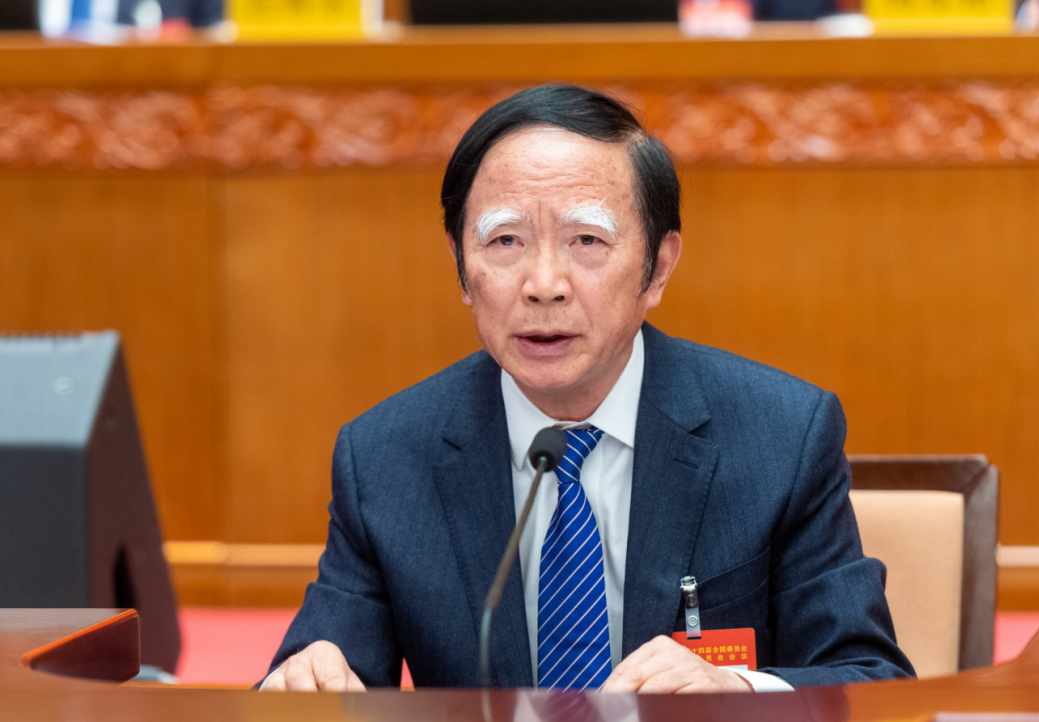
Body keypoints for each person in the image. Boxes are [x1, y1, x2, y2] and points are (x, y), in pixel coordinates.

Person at [262, 84, 914, 693]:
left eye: (587, 240)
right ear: (461, 267)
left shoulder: (781, 435)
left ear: (658, 268)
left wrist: (737, 693)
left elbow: (872, 680)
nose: (545, 284)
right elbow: (319, 675)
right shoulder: (385, 457)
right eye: (506, 240)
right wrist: (302, 684)